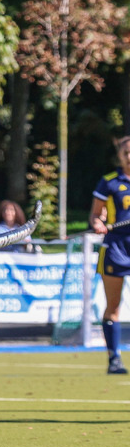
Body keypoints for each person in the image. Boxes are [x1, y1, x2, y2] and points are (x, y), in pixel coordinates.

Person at [89, 135, 130, 374]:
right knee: (113, 306)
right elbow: (95, 215)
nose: (129, 157)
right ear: (120, 156)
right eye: (126, 153)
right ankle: (114, 358)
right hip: (115, 249)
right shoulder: (109, 182)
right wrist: (98, 224)